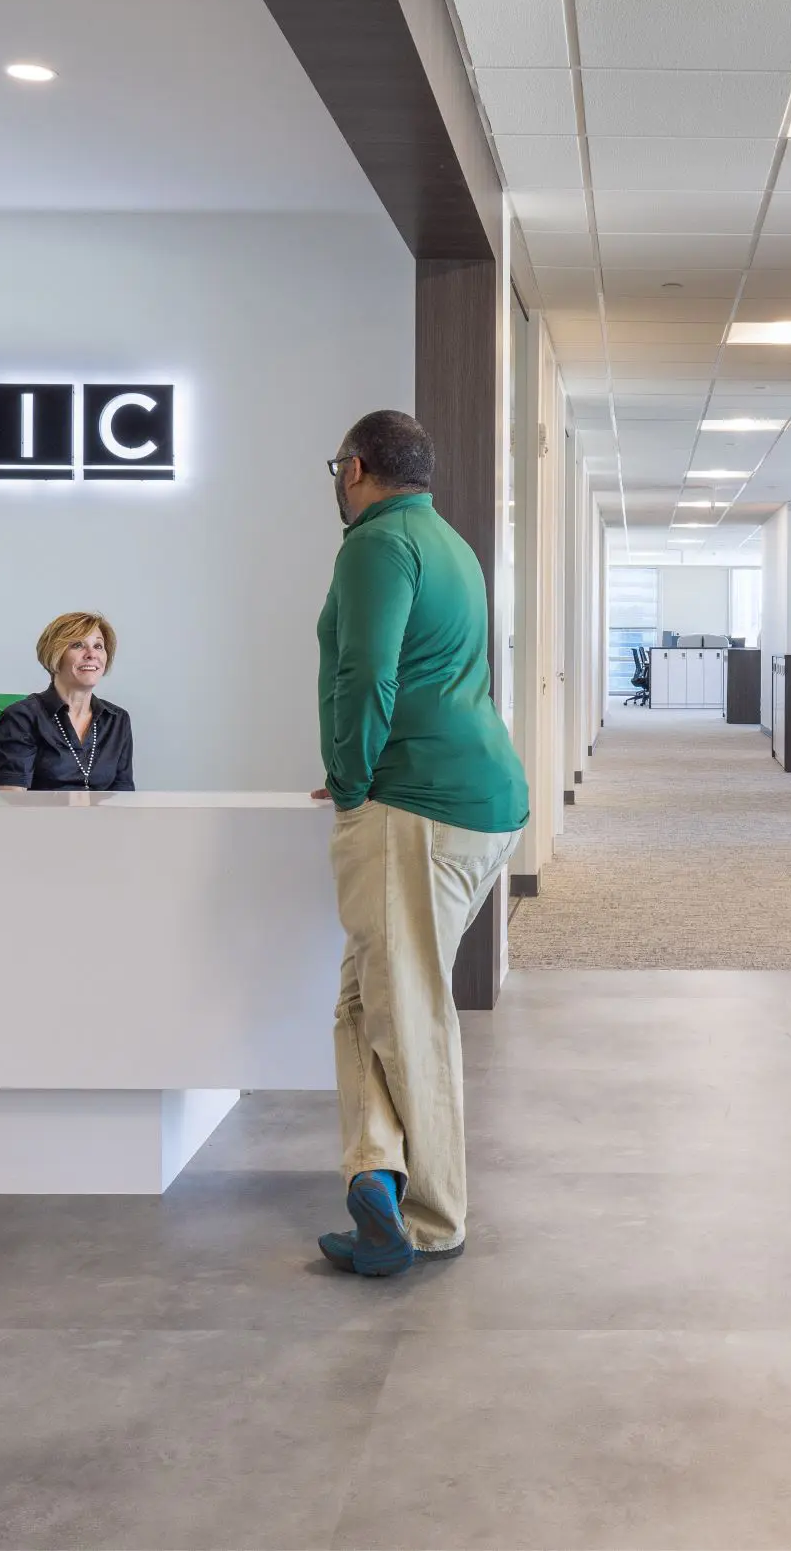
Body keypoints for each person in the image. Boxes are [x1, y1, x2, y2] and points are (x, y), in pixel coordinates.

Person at [311, 409, 529, 1278]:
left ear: (355, 467)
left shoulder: (373, 543)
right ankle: (376, 1177)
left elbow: (369, 669)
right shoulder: (448, 541)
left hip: (416, 803)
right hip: (472, 793)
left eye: (337, 469)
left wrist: (354, 776)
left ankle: (432, 1218)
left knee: (409, 1014)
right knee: (367, 999)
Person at [0, 611, 136, 792]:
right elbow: (12, 800)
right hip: (40, 820)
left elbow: (124, 798)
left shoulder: (116, 720)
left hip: (102, 820)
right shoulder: (22, 718)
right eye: (78, 645)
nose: (92, 654)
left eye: (98, 646)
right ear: (55, 655)